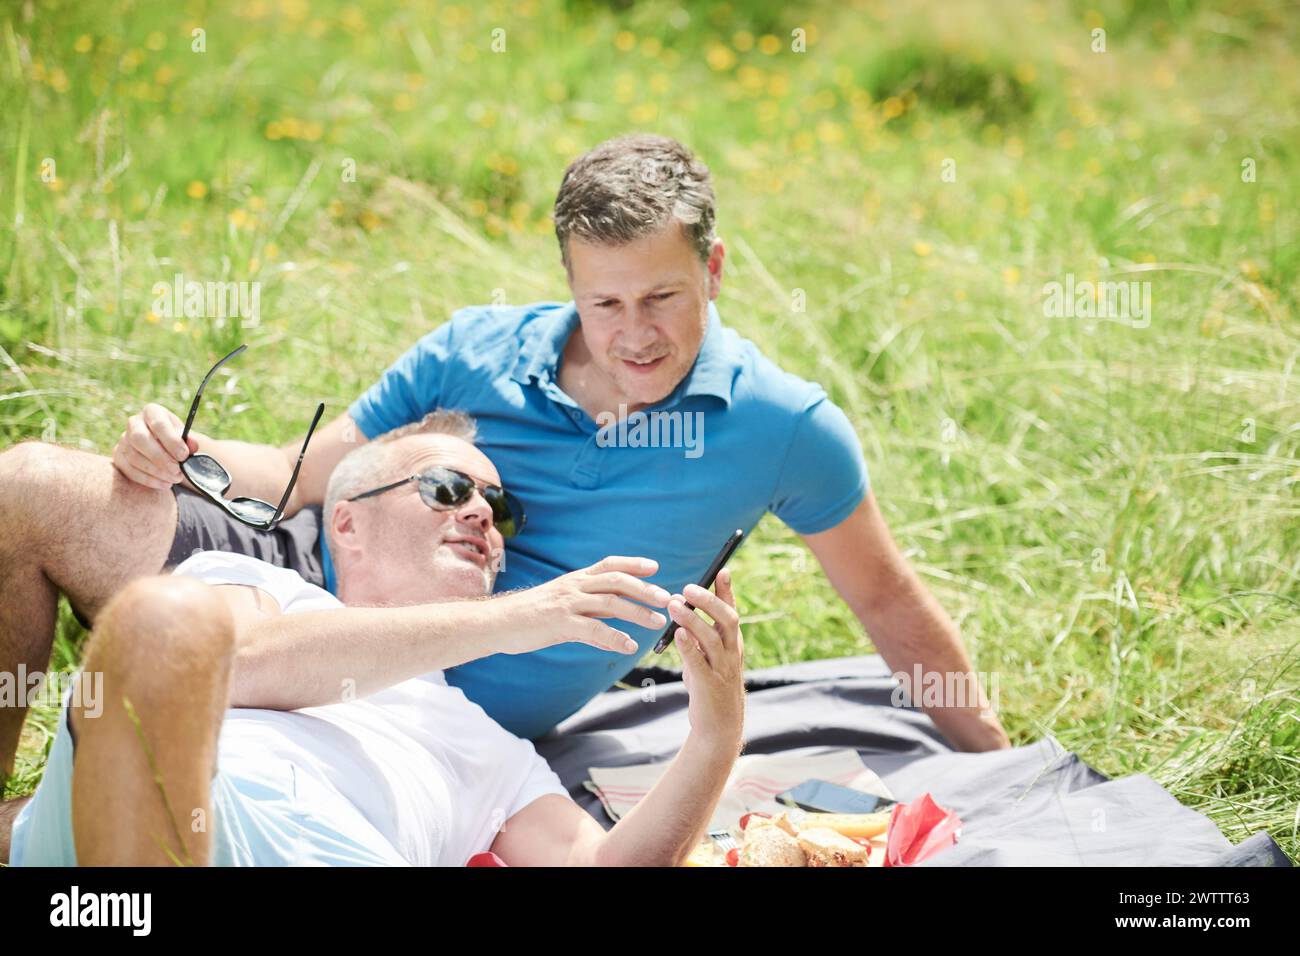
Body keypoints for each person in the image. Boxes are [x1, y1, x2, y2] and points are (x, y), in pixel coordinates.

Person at [0, 132, 1008, 781]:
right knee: (27, 487)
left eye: (662, 297)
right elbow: (308, 477)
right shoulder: (473, 348)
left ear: (714, 268)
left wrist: (997, 764)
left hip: (428, 703)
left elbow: (885, 598)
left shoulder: (784, 427)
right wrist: (188, 453)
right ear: (568, 283)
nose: (635, 334)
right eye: (603, 302)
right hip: (295, 573)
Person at [8, 412, 745, 866]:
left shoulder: (495, 753)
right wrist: (516, 618)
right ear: (347, 521)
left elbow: (605, 867)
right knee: (160, 626)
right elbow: (226, 667)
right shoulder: (251, 583)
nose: (484, 518)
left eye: (501, 510)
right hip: (161, 808)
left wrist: (716, 735)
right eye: (448, 490)